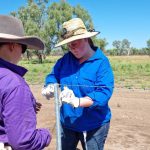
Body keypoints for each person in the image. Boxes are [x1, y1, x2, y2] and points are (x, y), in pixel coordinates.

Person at [42, 18, 114, 150]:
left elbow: (103, 93)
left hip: (94, 125)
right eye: (68, 45)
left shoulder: (101, 62)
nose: (72, 48)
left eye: (74, 43)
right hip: (67, 122)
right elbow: (53, 75)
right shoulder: (64, 60)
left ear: (86, 39)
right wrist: (50, 85)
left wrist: (78, 101)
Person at [0, 15, 51, 150]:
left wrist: (25, 104)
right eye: (23, 48)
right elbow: (23, 142)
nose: (22, 53)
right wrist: (46, 135)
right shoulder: (15, 84)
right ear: (12, 46)